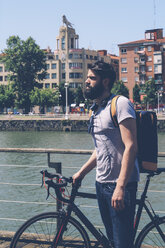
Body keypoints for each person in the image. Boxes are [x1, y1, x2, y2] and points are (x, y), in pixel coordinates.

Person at [72, 61, 139, 248]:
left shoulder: (121, 104)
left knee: (121, 244)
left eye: (92, 78)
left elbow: (131, 146)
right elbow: (101, 149)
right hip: (101, 185)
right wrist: (81, 173)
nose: (87, 81)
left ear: (105, 81)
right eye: (87, 77)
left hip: (119, 187)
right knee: (111, 241)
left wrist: (121, 187)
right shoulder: (97, 109)